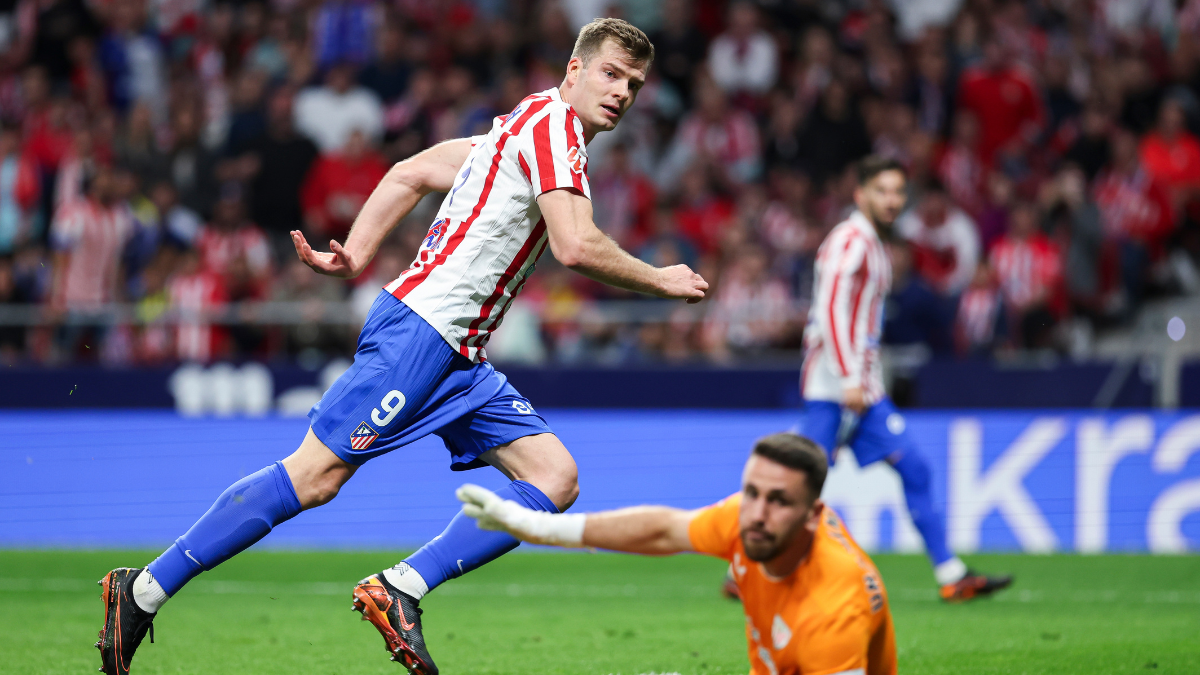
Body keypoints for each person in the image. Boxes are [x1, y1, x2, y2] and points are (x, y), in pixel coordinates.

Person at [94, 18, 709, 675]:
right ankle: (143, 590)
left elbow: (411, 171)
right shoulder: (555, 131)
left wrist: (357, 251)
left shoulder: (526, 122)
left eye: (635, 84)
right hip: (421, 334)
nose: (622, 92)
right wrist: (660, 278)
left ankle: (401, 588)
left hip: (459, 355)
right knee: (314, 476)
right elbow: (575, 245)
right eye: (611, 74)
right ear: (573, 71)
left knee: (554, 477)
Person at [457, 432, 898, 675]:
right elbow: (663, 530)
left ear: (812, 514)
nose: (758, 514)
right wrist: (538, 526)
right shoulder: (744, 521)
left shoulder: (836, 607)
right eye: (751, 493)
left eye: (779, 501)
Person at [799, 156, 1011, 601]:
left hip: (861, 389)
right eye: (883, 190)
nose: (893, 200)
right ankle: (745, 570)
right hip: (837, 388)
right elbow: (830, 311)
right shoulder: (851, 240)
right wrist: (848, 377)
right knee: (800, 482)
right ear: (861, 194)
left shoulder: (874, 243)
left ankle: (951, 575)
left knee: (912, 467)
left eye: (898, 192)